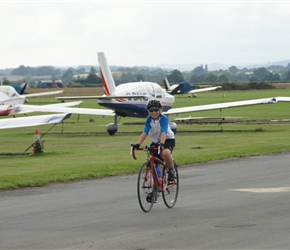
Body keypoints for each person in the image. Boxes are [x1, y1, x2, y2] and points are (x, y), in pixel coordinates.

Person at [132, 99, 176, 182]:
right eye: (151, 110)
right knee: (152, 160)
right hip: (155, 141)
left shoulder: (164, 119)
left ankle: (171, 171)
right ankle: (158, 181)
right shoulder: (148, 119)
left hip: (167, 139)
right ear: (148, 111)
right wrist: (138, 144)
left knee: (165, 153)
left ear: (160, 110)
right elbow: (145, 131)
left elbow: (164, 132)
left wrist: (162, 144)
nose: (154, 112)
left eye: (156, 109)